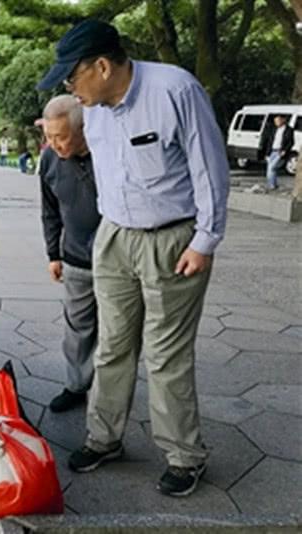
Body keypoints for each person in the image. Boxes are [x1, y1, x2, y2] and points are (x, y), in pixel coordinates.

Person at [38, 19, 229, 497]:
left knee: (165, 354)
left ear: (102, 67)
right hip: (115, 237)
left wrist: (204, 240)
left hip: (172, 239)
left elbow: (210, 166)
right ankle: (104, 438)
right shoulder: (96, 109)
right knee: (113, 346)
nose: (69, 89)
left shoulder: (174, 90)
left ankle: (185, 456)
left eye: (71, 78)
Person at [39, 95, 101, 413]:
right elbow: (50, 210)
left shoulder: (107, 153)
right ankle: (77, 386)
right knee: (77, 329)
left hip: (114, 260)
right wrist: (53, 253)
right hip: (75, 258)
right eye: (48, 136)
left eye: (60, 136)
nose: (54, 144)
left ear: (82, 129)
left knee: (115, 335)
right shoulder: (49, 159)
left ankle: (107, 398)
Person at [259, 114, 294, 190]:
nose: (276, 122)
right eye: (275, 121)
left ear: (283, 120)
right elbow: (269, 141)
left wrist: (285, 150)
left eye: (278, 120)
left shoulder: (289, 130)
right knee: (271, 169)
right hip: (272, 151)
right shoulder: (273, 129)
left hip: (280, 152)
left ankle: (271, 185)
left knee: (272, 167)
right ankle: (273, 184)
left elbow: (291, 142)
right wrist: (266, 153)